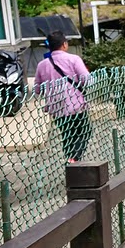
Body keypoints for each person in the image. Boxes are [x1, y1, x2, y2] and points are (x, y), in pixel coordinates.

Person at [33, 31, 91, 163]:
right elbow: (87, 80)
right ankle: (74, 158)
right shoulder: (74, 59)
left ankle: (70, 159)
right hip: (76, 106)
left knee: (67, 134)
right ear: (64, 44)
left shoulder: (42, 65)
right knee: (84, 131)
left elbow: (37, 88)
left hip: (56, 107)